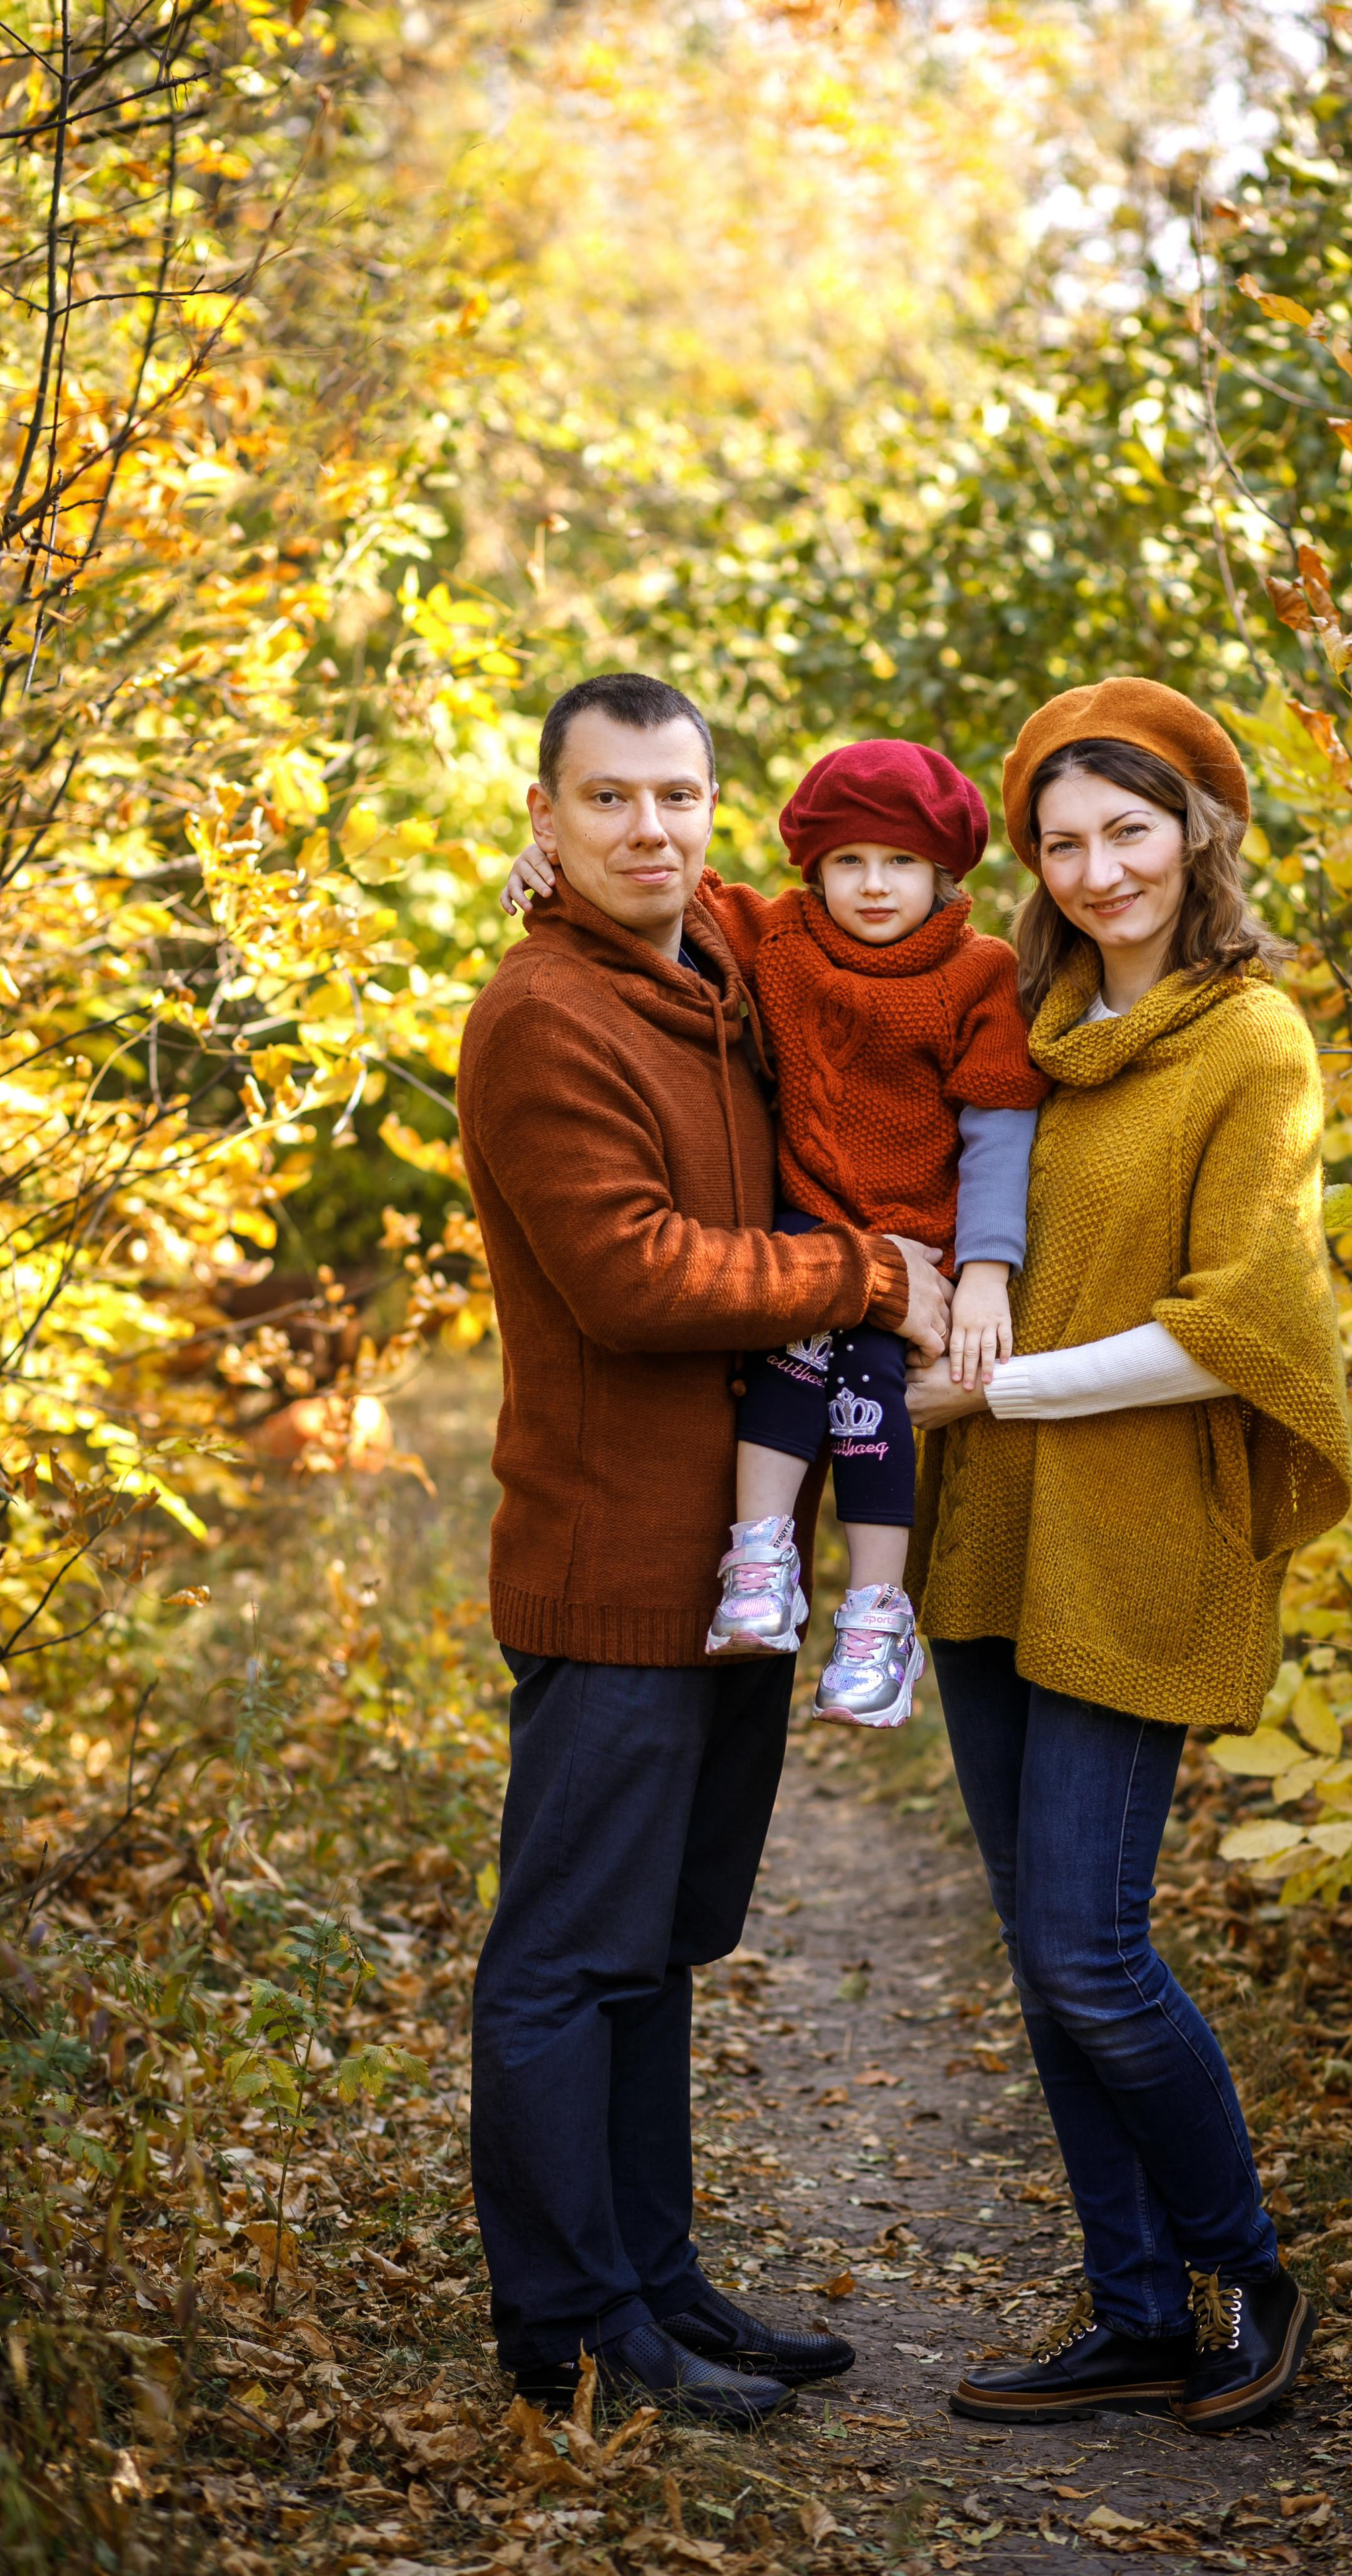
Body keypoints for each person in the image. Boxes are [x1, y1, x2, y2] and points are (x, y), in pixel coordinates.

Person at [457, 672, 952, 2430]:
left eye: (678, 798)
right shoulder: (542, 1017)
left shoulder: (719, 958)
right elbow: (638, 1274)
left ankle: (657, 2286)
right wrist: (872, 1274)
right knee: (567, 1961)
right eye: (608, 802)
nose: (648, 831)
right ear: (547, 820)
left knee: (655, 1951)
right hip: (611, 1567)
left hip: (734, 1560)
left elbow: (860, 918)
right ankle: (571, 2335)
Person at [905, 677, 1352, 2434]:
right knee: (1037, 1946)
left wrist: (996, 1395)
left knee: (1091, 1947)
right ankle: (1134, 2309)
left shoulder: (1253, 1042)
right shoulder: (1013, 1024)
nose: (1099, 870)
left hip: (1140, 1533)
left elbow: (1240, 1326)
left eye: (1130, 831)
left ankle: (1254, 2278)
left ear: (1199, 834)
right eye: (1062, 840)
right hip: (995, 1534)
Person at [505, 738, 1048, 1731]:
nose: (873, 885)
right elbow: (668, 881)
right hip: (811, 1221)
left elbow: (1000, 1127)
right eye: (848, 861)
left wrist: (985, 1273)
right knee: (790, 1365)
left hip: (918, 1241)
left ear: (945, 872)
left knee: (871, 1398)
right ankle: (761, 1559)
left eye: (900, 863)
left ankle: (879, 1613)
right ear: (813, 869)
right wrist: (542, 871)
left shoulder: (980, 973)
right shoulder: (781, 937)